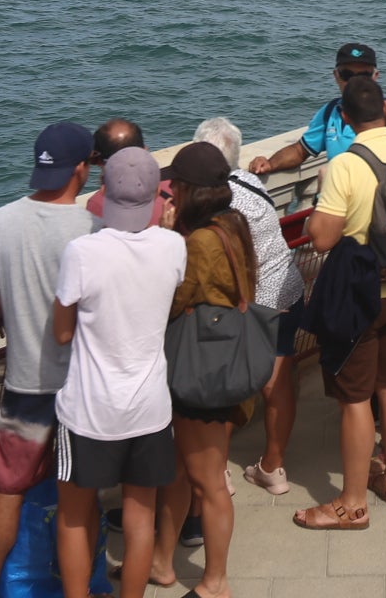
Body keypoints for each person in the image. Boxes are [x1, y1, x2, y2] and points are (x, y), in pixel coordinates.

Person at [296, 76, 386, 530]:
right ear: (384, 107)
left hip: (361, 300)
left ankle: (352, 503)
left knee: (355, 399)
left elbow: (320, 238)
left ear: (343, 116)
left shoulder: (346, 165)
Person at [0, 122, 99, 598]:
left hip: (24, 384)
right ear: (82, 168)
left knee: (7, 491)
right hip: (80, 388)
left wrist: (15, 311)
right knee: (77, 502)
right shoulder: (92, 226)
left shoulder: (1, 220)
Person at [52, 148, 187, 598]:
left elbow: (62, 332)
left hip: (90, 409)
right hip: (149, 408)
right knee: (140, 515)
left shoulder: (83, 252)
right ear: (157, 195)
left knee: (74, 515)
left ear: (104, 190)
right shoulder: (173, 246)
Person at [148, 144, 258, 598]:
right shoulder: (233, 226)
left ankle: (215, 582)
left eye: (176, 187)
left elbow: (172, 299)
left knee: (209, 482)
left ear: (193, 191)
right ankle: (160, 561)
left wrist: (168, 238)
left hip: (202, 372)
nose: (170, 193)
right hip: (222, 361)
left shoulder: (200, 241)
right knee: (179, 470)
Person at [196, 118, 307, 496]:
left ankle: (217, 473)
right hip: (287, 289)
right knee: (278, 383)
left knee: (226, 388)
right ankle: (273, 468)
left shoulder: (214, 201)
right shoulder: (250, 181)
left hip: (254, 303)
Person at [247, 43, 378, 176]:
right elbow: (300, 151)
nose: (354, 82)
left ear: (375, 76)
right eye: (347, 74)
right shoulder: (330, 113)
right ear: (336, 75)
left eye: (364, 75)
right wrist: (270, 164)